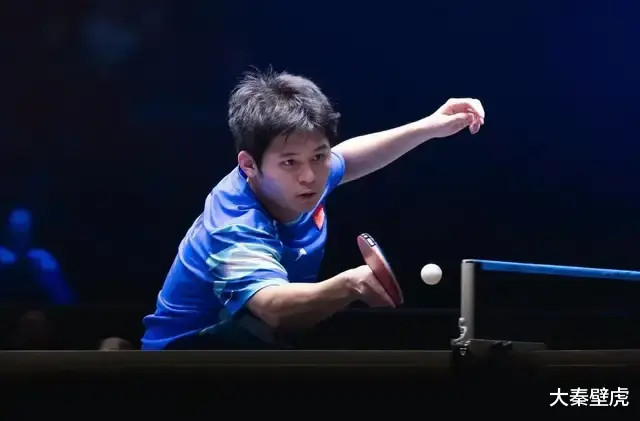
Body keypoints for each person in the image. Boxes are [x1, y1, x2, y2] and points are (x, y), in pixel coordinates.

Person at [141, 68, 484, 350]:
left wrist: (430, 126)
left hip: (252, 345)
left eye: (319, 156)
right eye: (290, 162)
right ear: (248, 165)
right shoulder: (235, 221)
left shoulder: (305, 175)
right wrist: (350, 284)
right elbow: (271, 308)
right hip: (182, 363)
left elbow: (349, 159)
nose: (310, 176)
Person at [0, 207, 76, 306]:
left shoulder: (44, 259)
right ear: (7, 227)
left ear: (31, 229)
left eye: (24, 227)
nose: (19, 231)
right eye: (16, 226)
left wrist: (49, 275)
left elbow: (67, 300)